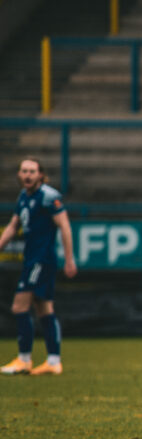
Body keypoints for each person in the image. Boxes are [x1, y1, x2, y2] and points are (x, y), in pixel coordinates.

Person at [0, 158, 77, 376]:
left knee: (19, 307)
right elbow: (13, 226)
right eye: (24, 171)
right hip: (32, 258)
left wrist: (69, 259)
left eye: (32, 171)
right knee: (44, 309)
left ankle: (24, 359)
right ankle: (53, 361)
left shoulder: (49, 197)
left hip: (41, 260)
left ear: (40, 175)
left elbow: (65, 226)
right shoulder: (23, 197)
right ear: (19, 174)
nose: (27, 175)